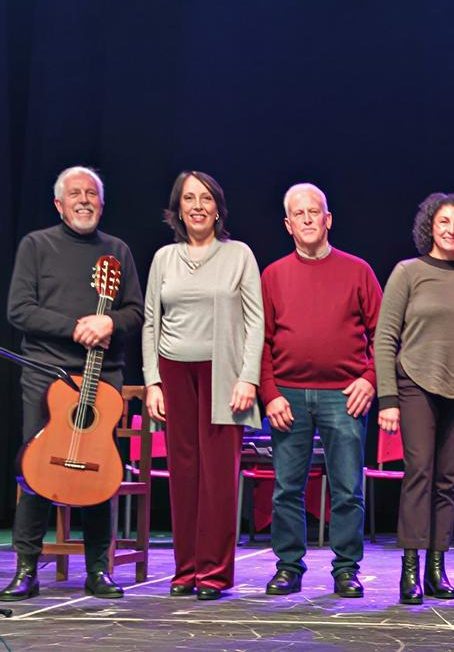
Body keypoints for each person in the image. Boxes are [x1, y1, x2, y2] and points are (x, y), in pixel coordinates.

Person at [1, 166, 143, 601]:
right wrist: (76, 326)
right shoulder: (36, 245)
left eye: (92, 194)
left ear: (102, 203)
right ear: (58, 204)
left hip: (103, 379)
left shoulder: (116, 250)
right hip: (47, 377)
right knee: (37, 470)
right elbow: (19, 310)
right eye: (75, 194)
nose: (84, 200)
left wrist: (109, 321)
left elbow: (136, 312)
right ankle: (26, 568)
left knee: (99, 471)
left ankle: (99, 568)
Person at [142, 170, 264, 601]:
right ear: (178, 208)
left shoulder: (239, 255)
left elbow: (256, 322)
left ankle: (213, 573)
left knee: (218, 478)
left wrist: (247, 377)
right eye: (189, 198)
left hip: (223, 374)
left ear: (217, 208)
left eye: (206, 198)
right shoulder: (163, 259)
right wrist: (153, 381)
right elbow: (151, 323)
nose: (197, 206)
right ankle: (186, 568)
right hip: (174, 372)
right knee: (183, 475)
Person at [259, 183, 381, 598]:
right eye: (299, 213)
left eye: (315, 212)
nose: (308, 219)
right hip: (287, 395)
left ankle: (347, 568)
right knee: (286, 489)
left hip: (344, 394)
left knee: (348, 488)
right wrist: (269, 392)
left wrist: (370, 379)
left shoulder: (358, 271)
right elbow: (261, 339)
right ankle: (288, 567)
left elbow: (383, 334)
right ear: (288, 224)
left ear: (328, 219)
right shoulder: (273, 275)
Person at [375, 192, 454, 605]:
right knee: (419, 472)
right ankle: (410, 568)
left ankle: (437, 566)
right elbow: (385, 337)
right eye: (444, 222)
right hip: (416, 383)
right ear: (430, 227)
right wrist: (388, 397)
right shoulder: (408, 272)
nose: (451, 229)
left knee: (449, 480)